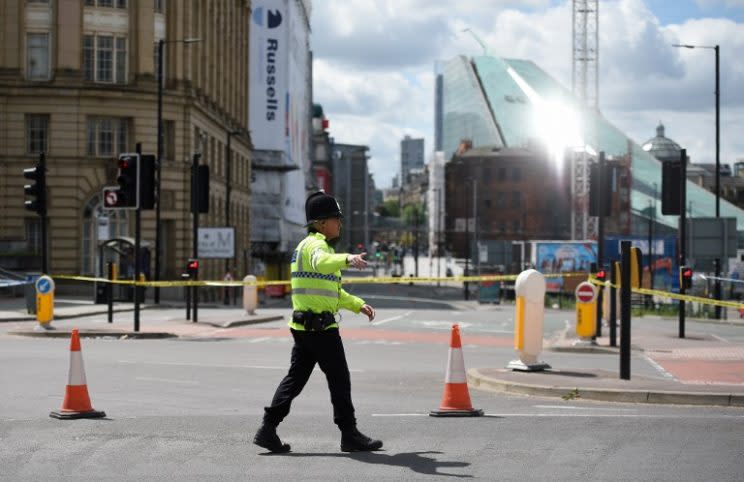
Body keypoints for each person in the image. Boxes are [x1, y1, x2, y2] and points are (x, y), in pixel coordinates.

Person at [253, 191, 383, 454]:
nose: (340, 223)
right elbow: (322, 263)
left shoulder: (303, 247)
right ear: (322, 223)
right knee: (340, 379)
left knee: (295, 380)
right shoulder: (317, 246)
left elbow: (331, 291)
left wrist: (358, 304)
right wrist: (348, 258)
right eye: (337, 218)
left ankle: (267, 429)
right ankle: (349, 435)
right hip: (322, 329)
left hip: (304, 328)